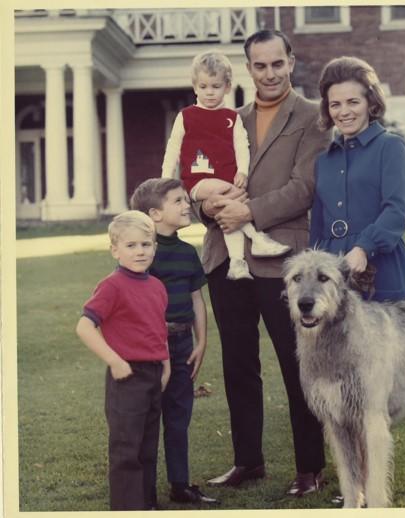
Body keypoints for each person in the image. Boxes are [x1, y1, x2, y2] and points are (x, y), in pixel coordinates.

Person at [200, 29, 331, 496]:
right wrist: (207, 208)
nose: (270, 73)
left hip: (283, 263)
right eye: (260, 65)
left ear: (291, 62)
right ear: (248, 68)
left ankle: (309, 466)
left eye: (278, 63)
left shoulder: (314, 117)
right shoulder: (227, 119)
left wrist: (249, 210)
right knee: (237, 365)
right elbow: (198, 178)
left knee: (298, 364)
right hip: (226, 258)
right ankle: (248, 462)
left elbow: (304, 187)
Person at [161, 50, 290, 281]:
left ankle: (237, 263)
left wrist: (241, 170)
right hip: (197, 181)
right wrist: (165, 178)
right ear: (195, 87)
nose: (209, 92)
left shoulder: (231, 118)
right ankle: (257, 238)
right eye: (204, 86)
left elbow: (242, 146)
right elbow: (173, 148)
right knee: (230, 198)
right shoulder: (187, 116)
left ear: (227, 87)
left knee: (229, 211)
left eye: (216, 86)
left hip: (226, 181)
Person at [130, 177, 218, 505]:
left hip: (183, 346)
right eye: (178, 201)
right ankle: (145, 492)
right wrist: (154, 345)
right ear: (154, 213)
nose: (187, 206)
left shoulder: (187, 251)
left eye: (186, 199)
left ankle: (180, 485)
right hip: (151, 349)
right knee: (149, 418)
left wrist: (201, 341)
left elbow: (196, 299)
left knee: (179, 418)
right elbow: (134, 302)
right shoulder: (141, 253)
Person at [76, 210, 170, 511]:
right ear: (115, 249)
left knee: (146, 446)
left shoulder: (156, 286)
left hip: (154, 374)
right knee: (126, 449)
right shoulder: (112, 286)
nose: (140, 251)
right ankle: (128, 509)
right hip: (126, 376)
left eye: (146, 244)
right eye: (131, 246)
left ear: (155, 246)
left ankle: (147, 504)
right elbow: (84, 326)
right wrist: (115, 362)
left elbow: (157, 328)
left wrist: (165, 363)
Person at [310, 56, 405, 302]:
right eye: (335, 104)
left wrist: (363, 248)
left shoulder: (391, 147)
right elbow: (317, 225)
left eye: (353, 102)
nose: (343, 112)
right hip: (333, 275)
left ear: (370, 102)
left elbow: (396, 212)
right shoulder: (323, 161)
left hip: (381, 268)